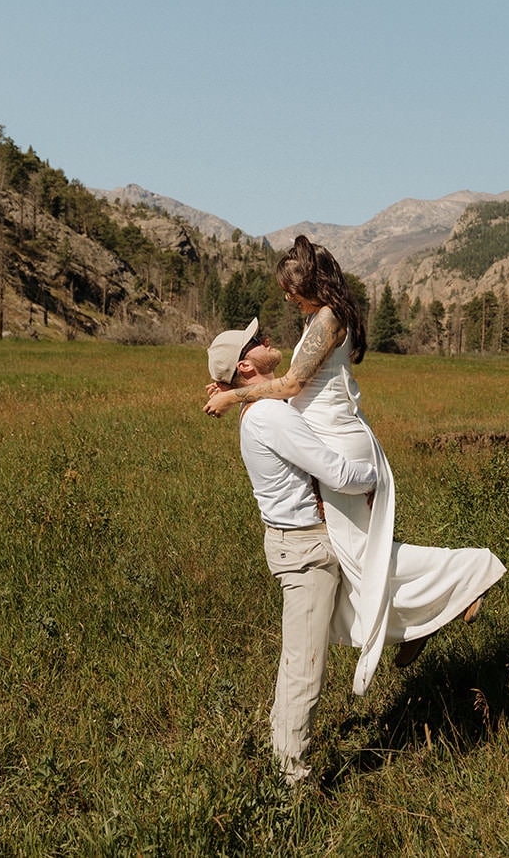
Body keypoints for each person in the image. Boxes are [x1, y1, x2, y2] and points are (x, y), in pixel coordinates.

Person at [205, 236, 504, 695]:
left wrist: (232, 395)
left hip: (341, 448)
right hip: (331, 443)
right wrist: (229, 382)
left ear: (311, 282)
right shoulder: (318, 318)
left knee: (365, 555)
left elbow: (289, 385)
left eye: (291, 288)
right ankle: (412, 625)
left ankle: (469, 572)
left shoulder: (328, 319)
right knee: (356, 558)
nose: (287, 297)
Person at [207, 317, 378, 785]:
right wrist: (377, 476)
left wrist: (228, 391)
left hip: (293, 544)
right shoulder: (271, 415)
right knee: (305, 667)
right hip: (306, 550)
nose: (268, 341)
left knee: (297, 656)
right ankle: (293, 779)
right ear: (246, 365)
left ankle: (283, 750)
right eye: (258, 343)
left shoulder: (261, 408)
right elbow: (335, 473)